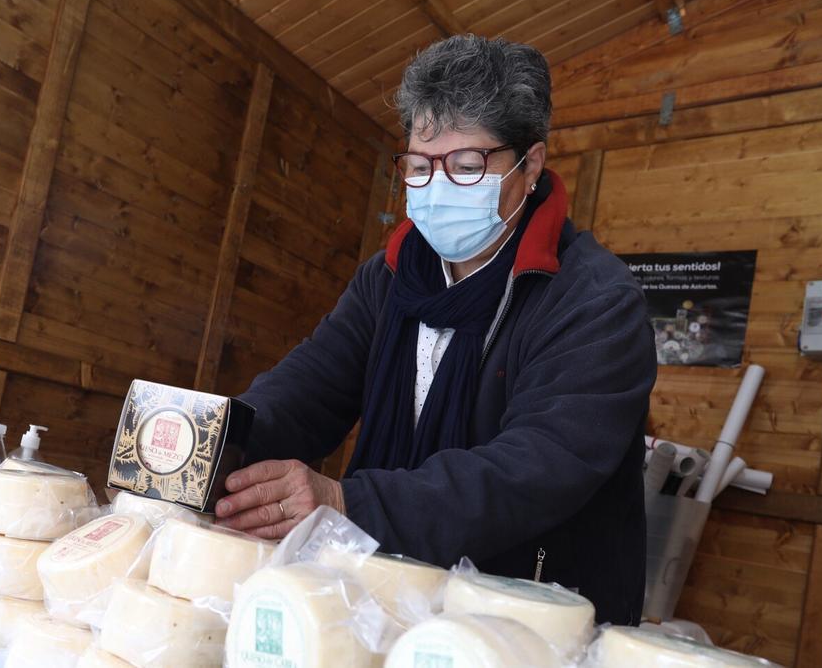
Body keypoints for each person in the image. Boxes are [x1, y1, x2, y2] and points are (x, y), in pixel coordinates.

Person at [214, 35, 657, 625]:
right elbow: (309, 386)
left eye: (468, 166)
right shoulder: (391, 276)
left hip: (532, 615)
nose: (438, 186)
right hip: (385, 590)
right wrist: (214, 439)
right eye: (420, 167)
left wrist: (349, 502)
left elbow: (538, 468)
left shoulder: (593, 299)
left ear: (530, 167)